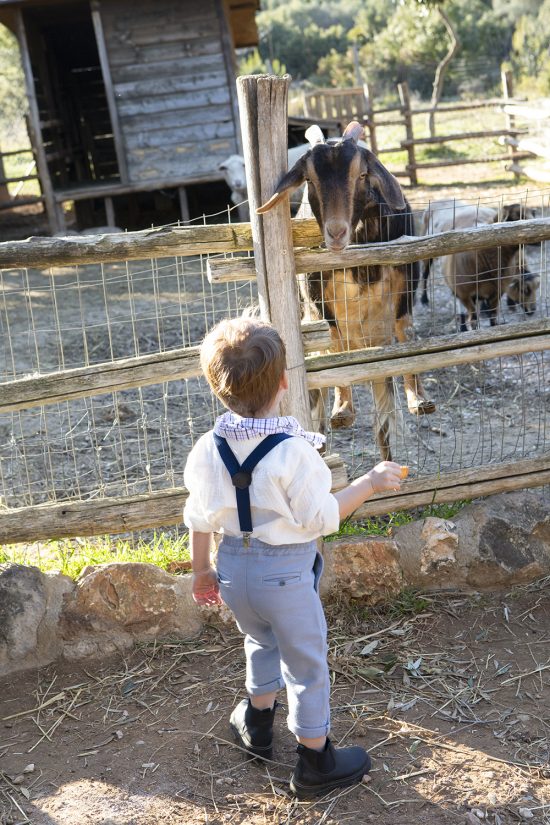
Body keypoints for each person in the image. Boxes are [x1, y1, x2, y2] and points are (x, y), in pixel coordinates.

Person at [183, 317, 405, 799]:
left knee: (259, 640)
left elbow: (198, 517)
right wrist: (367, 483)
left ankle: (258, 722)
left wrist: (202, 571)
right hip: (284, 572)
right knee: (306, 664)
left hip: (232, 570)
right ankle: (314, 761)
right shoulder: (293, 453)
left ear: (216, 387)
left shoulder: (207, 448)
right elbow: (321, 518)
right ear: (284, 382)